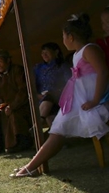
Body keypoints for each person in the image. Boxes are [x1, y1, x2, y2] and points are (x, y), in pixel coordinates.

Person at [12, 13, 109, 177]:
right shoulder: (79, 53)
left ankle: (30, 167)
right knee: (57, 129)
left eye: (63, 36)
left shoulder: (90, 49)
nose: (63, 40)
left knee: (58, 129)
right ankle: (31, 166)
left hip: (94, 101)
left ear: (70, 37)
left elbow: (103, 72)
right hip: (81, 100)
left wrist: (95, 100)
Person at [0, 49, 32, 155]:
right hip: (7, 106)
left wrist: (12, 106)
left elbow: (23, 91)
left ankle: (22, 142)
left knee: (15, 114)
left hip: (22, 104)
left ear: (8, 61)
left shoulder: (18, 70)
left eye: (0, 62)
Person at [33, 42, 71, 127]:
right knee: (52, 121)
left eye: (47, 52)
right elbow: (31, 84)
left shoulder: (62, 66)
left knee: (50, 97)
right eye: (42, 53)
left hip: (60, 98)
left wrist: (57, 92)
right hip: (42, 100)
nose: (44, 55)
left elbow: (69, 83)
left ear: (56, 52)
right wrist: (37, 95)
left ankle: (39, 122)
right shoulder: (38, 68)